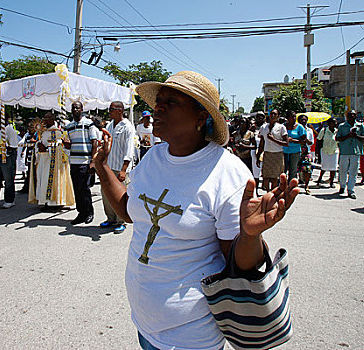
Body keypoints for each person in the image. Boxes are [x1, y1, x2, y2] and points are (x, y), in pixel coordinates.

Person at [93, 71, 299, 350]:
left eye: (172, 102)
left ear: (201, 119)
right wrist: (102, 167)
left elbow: (239, 266)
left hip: (191, 334)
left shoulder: (226, 172)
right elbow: (130, 212)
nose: (158, 108)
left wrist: (250, 234)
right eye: (159, 101)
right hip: (144, 323)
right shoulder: (152, 158)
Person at [99, 101, 135, 234]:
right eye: (109, 108)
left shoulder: (127, 127)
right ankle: (111, 218)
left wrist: (124, 170)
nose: (109, 111)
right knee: (106, 193)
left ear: (120, 110)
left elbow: (129, 150)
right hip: (108, 166)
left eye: (112, 109)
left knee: (120, 196)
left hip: (120, 167)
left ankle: (121, 221)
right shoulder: (109, 125)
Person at [29, 112, 75, 209]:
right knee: (43, 181)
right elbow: (39, 144)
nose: (45, 120)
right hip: (43, 161)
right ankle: (45, 201)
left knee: (52, 181)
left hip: (53, 163)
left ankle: (55, 202)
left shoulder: (57, 132)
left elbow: (60, 147)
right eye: (44, 118)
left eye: (47, 118)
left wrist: (46, 149)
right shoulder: (43, 132)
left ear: (53, 119)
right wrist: (38, 147)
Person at [63, 101, 98, 224]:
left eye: (77, 107)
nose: (75, 110)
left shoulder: (89, 124)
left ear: (82, 109)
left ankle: (89, 212)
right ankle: (81, 213)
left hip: (85, 161)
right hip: (74, 162)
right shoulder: (69, 126)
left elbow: (94, 143)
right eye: (73, 108)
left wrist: (93, 161)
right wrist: (66, 145)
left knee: (84, 188)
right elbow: (67, 144)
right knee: (76, 189)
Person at [336, 110, 364, 199]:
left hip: (356, 151)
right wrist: (348, 135)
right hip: (344, 151)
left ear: (356, 116)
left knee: (353, 172)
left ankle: (351, 190)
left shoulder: (360, 126)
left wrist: (357, 136)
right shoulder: (342, 126)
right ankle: (342, 186)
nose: (352, 117)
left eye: (354, 115)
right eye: (350, 115)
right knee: (343, 170)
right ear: (347, 116)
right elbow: (337, 138)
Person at [257, 109, 289, 191]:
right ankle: (268, 192)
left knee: (275, 177)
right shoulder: (264, 127)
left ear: (278, 116)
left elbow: (286, 143)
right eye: (271, 114)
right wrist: (258, 156)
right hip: (267, 153)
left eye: (275, 114)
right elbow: (262, 143)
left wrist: (273, 139)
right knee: (266, 176)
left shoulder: (281, 127)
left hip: (277, 154)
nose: (273, 115)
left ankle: (273, 193)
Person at [283, 111, 306, 181]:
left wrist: (292, 140)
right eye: (291, 117)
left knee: (293, 171)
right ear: (287, 118)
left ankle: (291, 187)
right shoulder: (283, 126)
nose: (293, 118)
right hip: (283, 151)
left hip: (295, 151)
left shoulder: (300, 127)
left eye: (294, 116)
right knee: (283, 170)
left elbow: (303, 141)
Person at [315, 118, 338, 188]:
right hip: (325, 151)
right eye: (332, 123)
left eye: (334, 123)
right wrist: (318, 153)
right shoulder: (324, 131)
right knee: (324, 167)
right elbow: (318, 141)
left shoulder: (337, 131)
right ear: (328, 123)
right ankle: (319, 179)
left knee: (333, 167)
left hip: (334, 151)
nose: (333, 124)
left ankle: (331, 182)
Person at [250, 112, 265, 196]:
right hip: (254, 151)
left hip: (265, 151)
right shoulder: (253, 128)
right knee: (256, 172)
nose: (260, 118)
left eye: (261, 117)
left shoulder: (266, 127)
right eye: (258, 117)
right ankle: (255, 191)